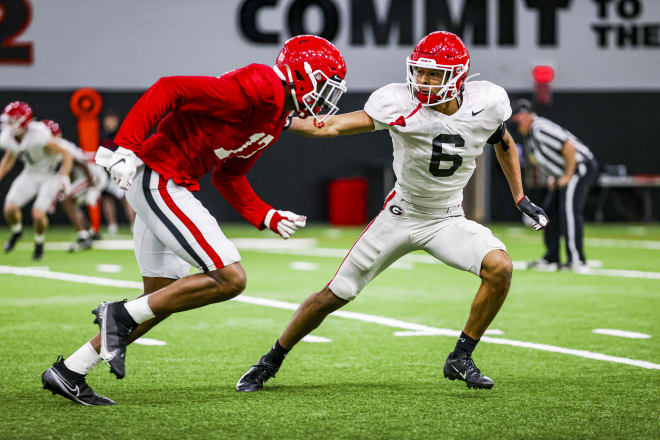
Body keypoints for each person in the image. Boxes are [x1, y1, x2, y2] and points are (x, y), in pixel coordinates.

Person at [40, 35, 347, 406]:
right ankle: (117, 313)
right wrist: (126, 146)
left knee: (161, 299)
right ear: (303, 74)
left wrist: (264, 214)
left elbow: (228, 176)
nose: (327, 99)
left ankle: (71, 369)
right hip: (161, 177)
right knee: (230, 278)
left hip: (167, 180)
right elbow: (171, 89)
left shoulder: (276, 115)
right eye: (325, 87)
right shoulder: (264, 88)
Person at [236, 31, 548, 393]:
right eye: (419, 72)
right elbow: (332, 126)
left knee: (500, 268)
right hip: (400, 214)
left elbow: (503, 142)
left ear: (459, 77)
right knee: (334, 294)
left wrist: (520, 197)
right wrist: (278, 120)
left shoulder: (488, 102)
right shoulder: (398, 102)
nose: (423, 81)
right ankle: (269, 362)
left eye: (433, 74)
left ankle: (461, 357)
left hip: (447, 218)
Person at [510, 99, 597, 271]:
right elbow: (547, 158)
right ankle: (552, 257)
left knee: (569, 212)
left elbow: (568, 146)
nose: (516, 125)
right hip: (563, 172)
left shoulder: (540, 127)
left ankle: (576, 260)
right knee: (549, 213)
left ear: (526, 115)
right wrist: (554, 176)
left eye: (517, 119)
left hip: (579, 166)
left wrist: (567, 175)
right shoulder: (529, 135)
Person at [0, 102, 73, 260]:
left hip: (49, 175)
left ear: (23, 121)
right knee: (9, 209)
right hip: (31, 172)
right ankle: (17, 231)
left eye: (13, 120)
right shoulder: (8, 136)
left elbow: (66, 153)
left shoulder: (39, 134)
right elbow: (10, 156)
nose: (9, 124)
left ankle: (39, 243)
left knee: (38, 214)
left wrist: (65, 176)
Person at [42, 119, 99, 251]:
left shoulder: (62, 146)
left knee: (67, 200)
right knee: (69, 201)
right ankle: (88, 233)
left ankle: (83, 236)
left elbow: (83, 164)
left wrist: (91, 186)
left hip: (91, 176)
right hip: (83, 177)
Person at [99, 108, 135, 234]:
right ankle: (112, 226)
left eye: (111, 120)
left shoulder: (121, 135)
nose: (109, 123)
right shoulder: (102, 136)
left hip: (121, 171)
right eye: (107, 120)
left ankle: (133, 225)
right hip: (106, 172)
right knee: (107, 198)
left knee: (126, 198)